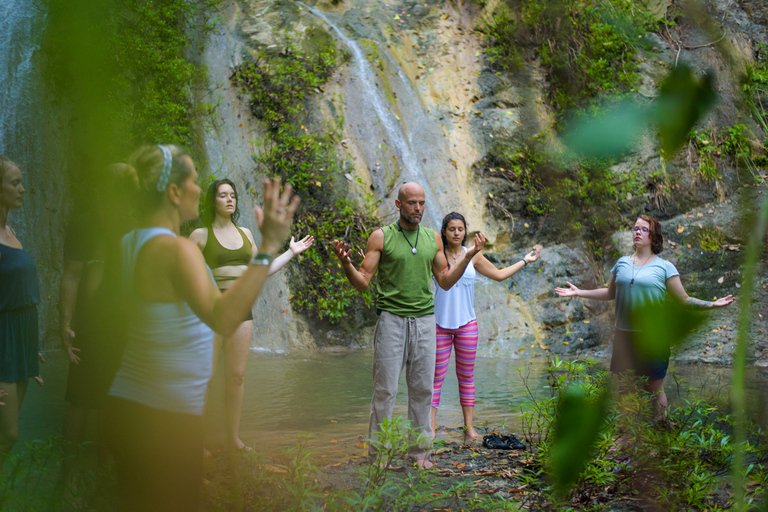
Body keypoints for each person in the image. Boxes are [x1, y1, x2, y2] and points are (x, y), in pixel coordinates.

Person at [104, 144, 298, 511]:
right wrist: (269, 244)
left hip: (137, 406)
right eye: (194, 180)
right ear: (174, 193)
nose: (199, 188)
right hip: (161, 418)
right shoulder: (176, 251)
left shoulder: (129, 242)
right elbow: (224, 317)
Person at [333, 182, 485, 468]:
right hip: (391, 320)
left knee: (423, 390)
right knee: (385, 390)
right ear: (398, 205)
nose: (418, 208)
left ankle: (420, 454)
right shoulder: (381, 237)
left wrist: (467, 258)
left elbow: (445, 280)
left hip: (427, 321)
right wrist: (346, 265)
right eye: (412, 202)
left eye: (421, 203)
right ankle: (379, 457)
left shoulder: (432, 239)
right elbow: (363, 282)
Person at [555, 215, 734, 412]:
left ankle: (661, 430)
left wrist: (712, 304)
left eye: (643, 229)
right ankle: (624, 437)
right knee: (624, 388)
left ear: (654, 237)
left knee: (654, 388)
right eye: (635, 228)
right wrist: (579, 291)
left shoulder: (665, 267)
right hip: (623, 336)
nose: (637, 232)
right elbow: (609, 293)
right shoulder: (622, 263)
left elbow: (683, 299)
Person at [189, 179, 313, 452]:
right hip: (210, 310)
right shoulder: (199, 235)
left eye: (232, 195)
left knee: (236, 376)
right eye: (223, 195)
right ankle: (197, 440)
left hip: (241, 311)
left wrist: (291, 252)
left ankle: (232, 438)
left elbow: (262, 269)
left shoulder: (245, 234)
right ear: (212, 202)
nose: (229, 200)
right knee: (205, 377)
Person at [432, 212, 541, 439]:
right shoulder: (436, 255)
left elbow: (499, 275)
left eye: (460, 229)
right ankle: (430, 427)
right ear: (444, 231)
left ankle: (469, 427)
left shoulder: (473, 255)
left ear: (465, 231)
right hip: (439, 324)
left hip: (467, 324)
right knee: (435, 376)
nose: (456, 233)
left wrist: (524, 260)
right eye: (451, 229)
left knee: (466, 376)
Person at [59, 163, 133, 482]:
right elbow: (71, 276)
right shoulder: (84, 224)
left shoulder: (135, 226)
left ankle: (105, 473)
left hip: (126, 328)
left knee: (112, 401)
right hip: (89, 327)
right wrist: (65, 323)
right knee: (79, 399)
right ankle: (67, 474)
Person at [0, 156, 42, 467]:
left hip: (21, 344)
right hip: (3, 344)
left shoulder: (11, 232)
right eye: (15, 183)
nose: (22, 189)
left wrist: (31, 343)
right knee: (7, 434)